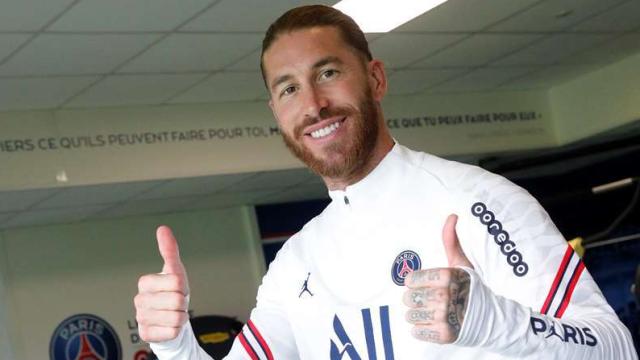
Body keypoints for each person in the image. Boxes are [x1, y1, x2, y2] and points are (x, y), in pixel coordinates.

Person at [133, 5, 638, 359]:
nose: (312, 104)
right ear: (276, 112)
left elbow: (614, 347)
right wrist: (177, 348)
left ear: (375, 78)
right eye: (289, 89)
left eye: (327, 72)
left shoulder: (478, 201)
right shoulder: (295, 263)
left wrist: (498, 325)